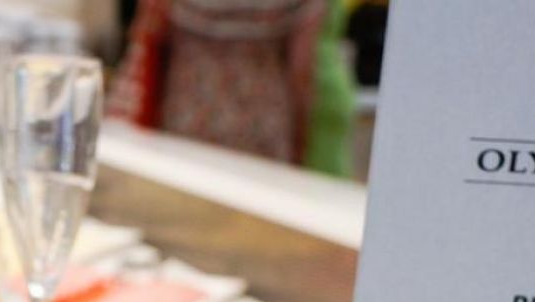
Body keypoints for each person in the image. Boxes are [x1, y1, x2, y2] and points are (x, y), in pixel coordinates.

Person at [109, 0, 355, 176]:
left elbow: (150, 29)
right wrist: (302, 133)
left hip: (189, 114)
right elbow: (302, 66)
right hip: (263, 122)